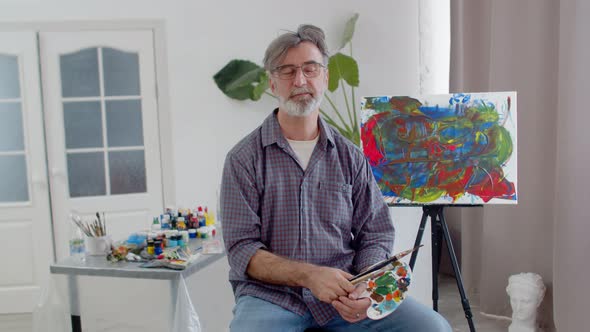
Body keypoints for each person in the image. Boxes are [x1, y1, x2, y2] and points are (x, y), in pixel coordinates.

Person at [221, 24, 451, 331]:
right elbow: (241, 249)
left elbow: (376, 233)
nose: (300, 80)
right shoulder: (243, 159)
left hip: (346, 292)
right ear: (272, 83)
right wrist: (310, 276)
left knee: (433, 328)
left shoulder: (351, 157)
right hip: (271, 298)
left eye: (310, 68)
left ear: (325, 77)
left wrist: (368, 285)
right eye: (287, 71)